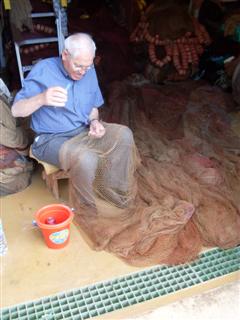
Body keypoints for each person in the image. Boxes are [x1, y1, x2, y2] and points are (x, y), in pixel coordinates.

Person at [12, 33, 138, 208]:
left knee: (124, 135)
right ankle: (87, 209)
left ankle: (113, 192)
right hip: (50, 139)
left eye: (87, 66)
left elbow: (93, 107)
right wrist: (42, 98)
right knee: (86, 157)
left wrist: (94, 122)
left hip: (82, 131)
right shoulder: (44, 70)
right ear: (65, 55)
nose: (83, 71)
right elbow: (16, 110)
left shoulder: (88, 70)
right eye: (78, 65)